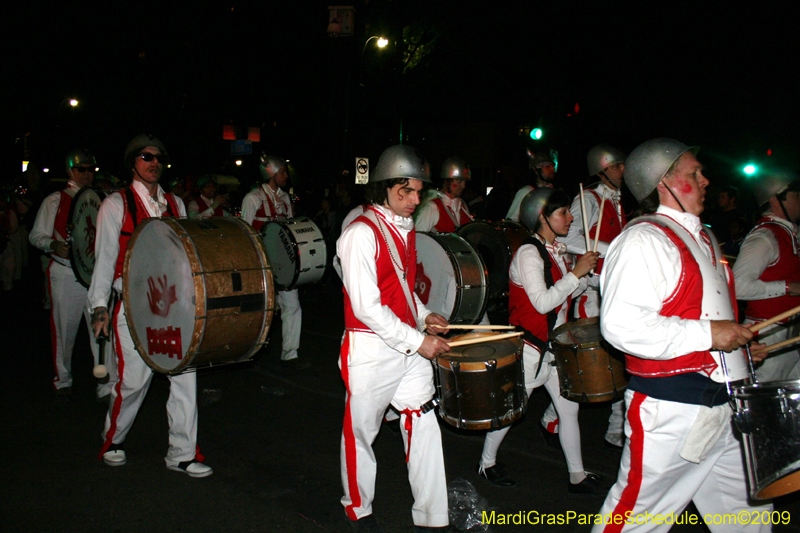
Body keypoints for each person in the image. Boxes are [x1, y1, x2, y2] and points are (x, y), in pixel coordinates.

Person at [594, 138, 772, 532]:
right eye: (694, 173)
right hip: (671, 410)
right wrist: (711, 335)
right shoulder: (643, 240)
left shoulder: (705, 236)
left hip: (724, 404)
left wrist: (738, 350)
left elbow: (708, 316)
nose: (706, 180)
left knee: (750, 516)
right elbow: (622, 326)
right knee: (634, 522)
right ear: (663, 183)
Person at [337, 145, 452, 532]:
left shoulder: (403, 230)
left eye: (419, 192)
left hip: (406, 345)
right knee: (361, 435)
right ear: (384, 188)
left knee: (423, 423)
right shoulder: (359, 235)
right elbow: (368, 306)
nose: (415, 200)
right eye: (407, 192)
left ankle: (432, 516)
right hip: (369, 348)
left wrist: (423, 314)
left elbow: (401, 287)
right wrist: (419, 340)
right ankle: (358, 508)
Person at [88, 134, 212, 478]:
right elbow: (104, 260)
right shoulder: (116, 204)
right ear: (133, 163)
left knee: (186, 378)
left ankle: (183, 453)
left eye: (158, 157)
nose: (153, 162)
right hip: (133, 306)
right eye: (146, 156)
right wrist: (99, 307)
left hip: (175, 307)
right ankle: (113, 440)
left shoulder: (176, 204)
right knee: (133, 382)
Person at [476, 187, 605, 493]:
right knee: (512, 410)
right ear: (542, 217)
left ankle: (577, 475)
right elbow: (543, 303)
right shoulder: (528, 253)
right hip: (531, 348)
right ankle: (486, 463)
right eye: (563, 212)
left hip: (554, 348)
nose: (571, 217)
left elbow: (566, 293)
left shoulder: (554, 250)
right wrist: (575, 274)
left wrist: (584, 277)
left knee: (568, 410)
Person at [542, 143, 627, 449]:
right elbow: (571, 236)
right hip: (591, 294)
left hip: (612, 290)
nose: (623, 171)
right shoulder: (587, 199)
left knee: (617, 362)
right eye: (617, 166)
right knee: (585, 368)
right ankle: (553, 419)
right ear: (602, 170)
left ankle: (617, 430)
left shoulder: (616, 201)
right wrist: (611, 251)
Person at [29, 149, 114, 400]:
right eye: (81, 169)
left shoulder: (103, 200)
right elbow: (36, 235)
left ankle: (106, 383)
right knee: (64, 331)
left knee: (101, 330)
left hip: (95, 275)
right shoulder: (55, 200)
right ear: (70, 172)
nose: (87, 174)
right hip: (66, 274)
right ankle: (63, 379)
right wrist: (53, 245)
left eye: (90, 169)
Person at [241, 154, 308, 369]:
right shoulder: (253, 198)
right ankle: (248, 349)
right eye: (282, 172)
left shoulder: (286, 198)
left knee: (293, 306)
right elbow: (245, 231)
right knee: (262, 308)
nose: (286, 176)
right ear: (271, 174)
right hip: (263, 263)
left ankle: (290, 354)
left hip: (284, 263)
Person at [734, 171, 800, 382]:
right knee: (764, 407)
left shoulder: (791, 233)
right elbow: (738, 286)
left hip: (790, 332)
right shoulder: (764, 237)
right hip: (765, 336)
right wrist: (788, 287)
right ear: (774, 199)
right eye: (795, 195)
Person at [414, 156, 474, 232]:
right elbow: (419, 239)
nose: (463, 185)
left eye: (464, 181)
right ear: (447, 180)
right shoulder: (432, 208)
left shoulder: (463, 207)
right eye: (458, 180)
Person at [506, 149, 557, 222]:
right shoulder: (526, 192)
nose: (552, 169)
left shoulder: (553, 192)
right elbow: (511, 221)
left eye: (552, 166)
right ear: (536, 170)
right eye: (547, 166)